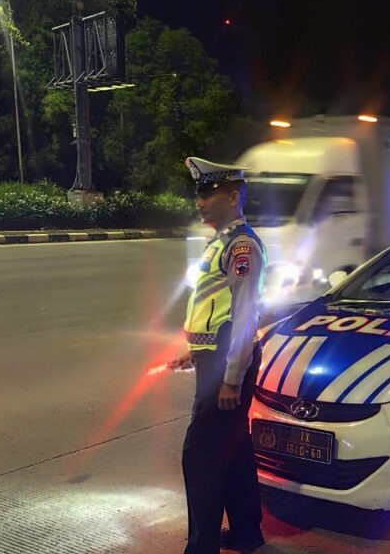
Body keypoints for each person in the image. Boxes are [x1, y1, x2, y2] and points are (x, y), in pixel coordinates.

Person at [169, 157, 266, 554]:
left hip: (228, 365)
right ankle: (246, 533)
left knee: (201, 457)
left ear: (233, 196)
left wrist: (232, 377)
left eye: (208, 193)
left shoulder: (241, 246)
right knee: (233, 450)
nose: (199, 201)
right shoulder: (222, 242)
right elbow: (216, 308)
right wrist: (195, 350)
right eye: (199, 194)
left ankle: (201, 547)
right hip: (218, 358)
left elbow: (245, 315)